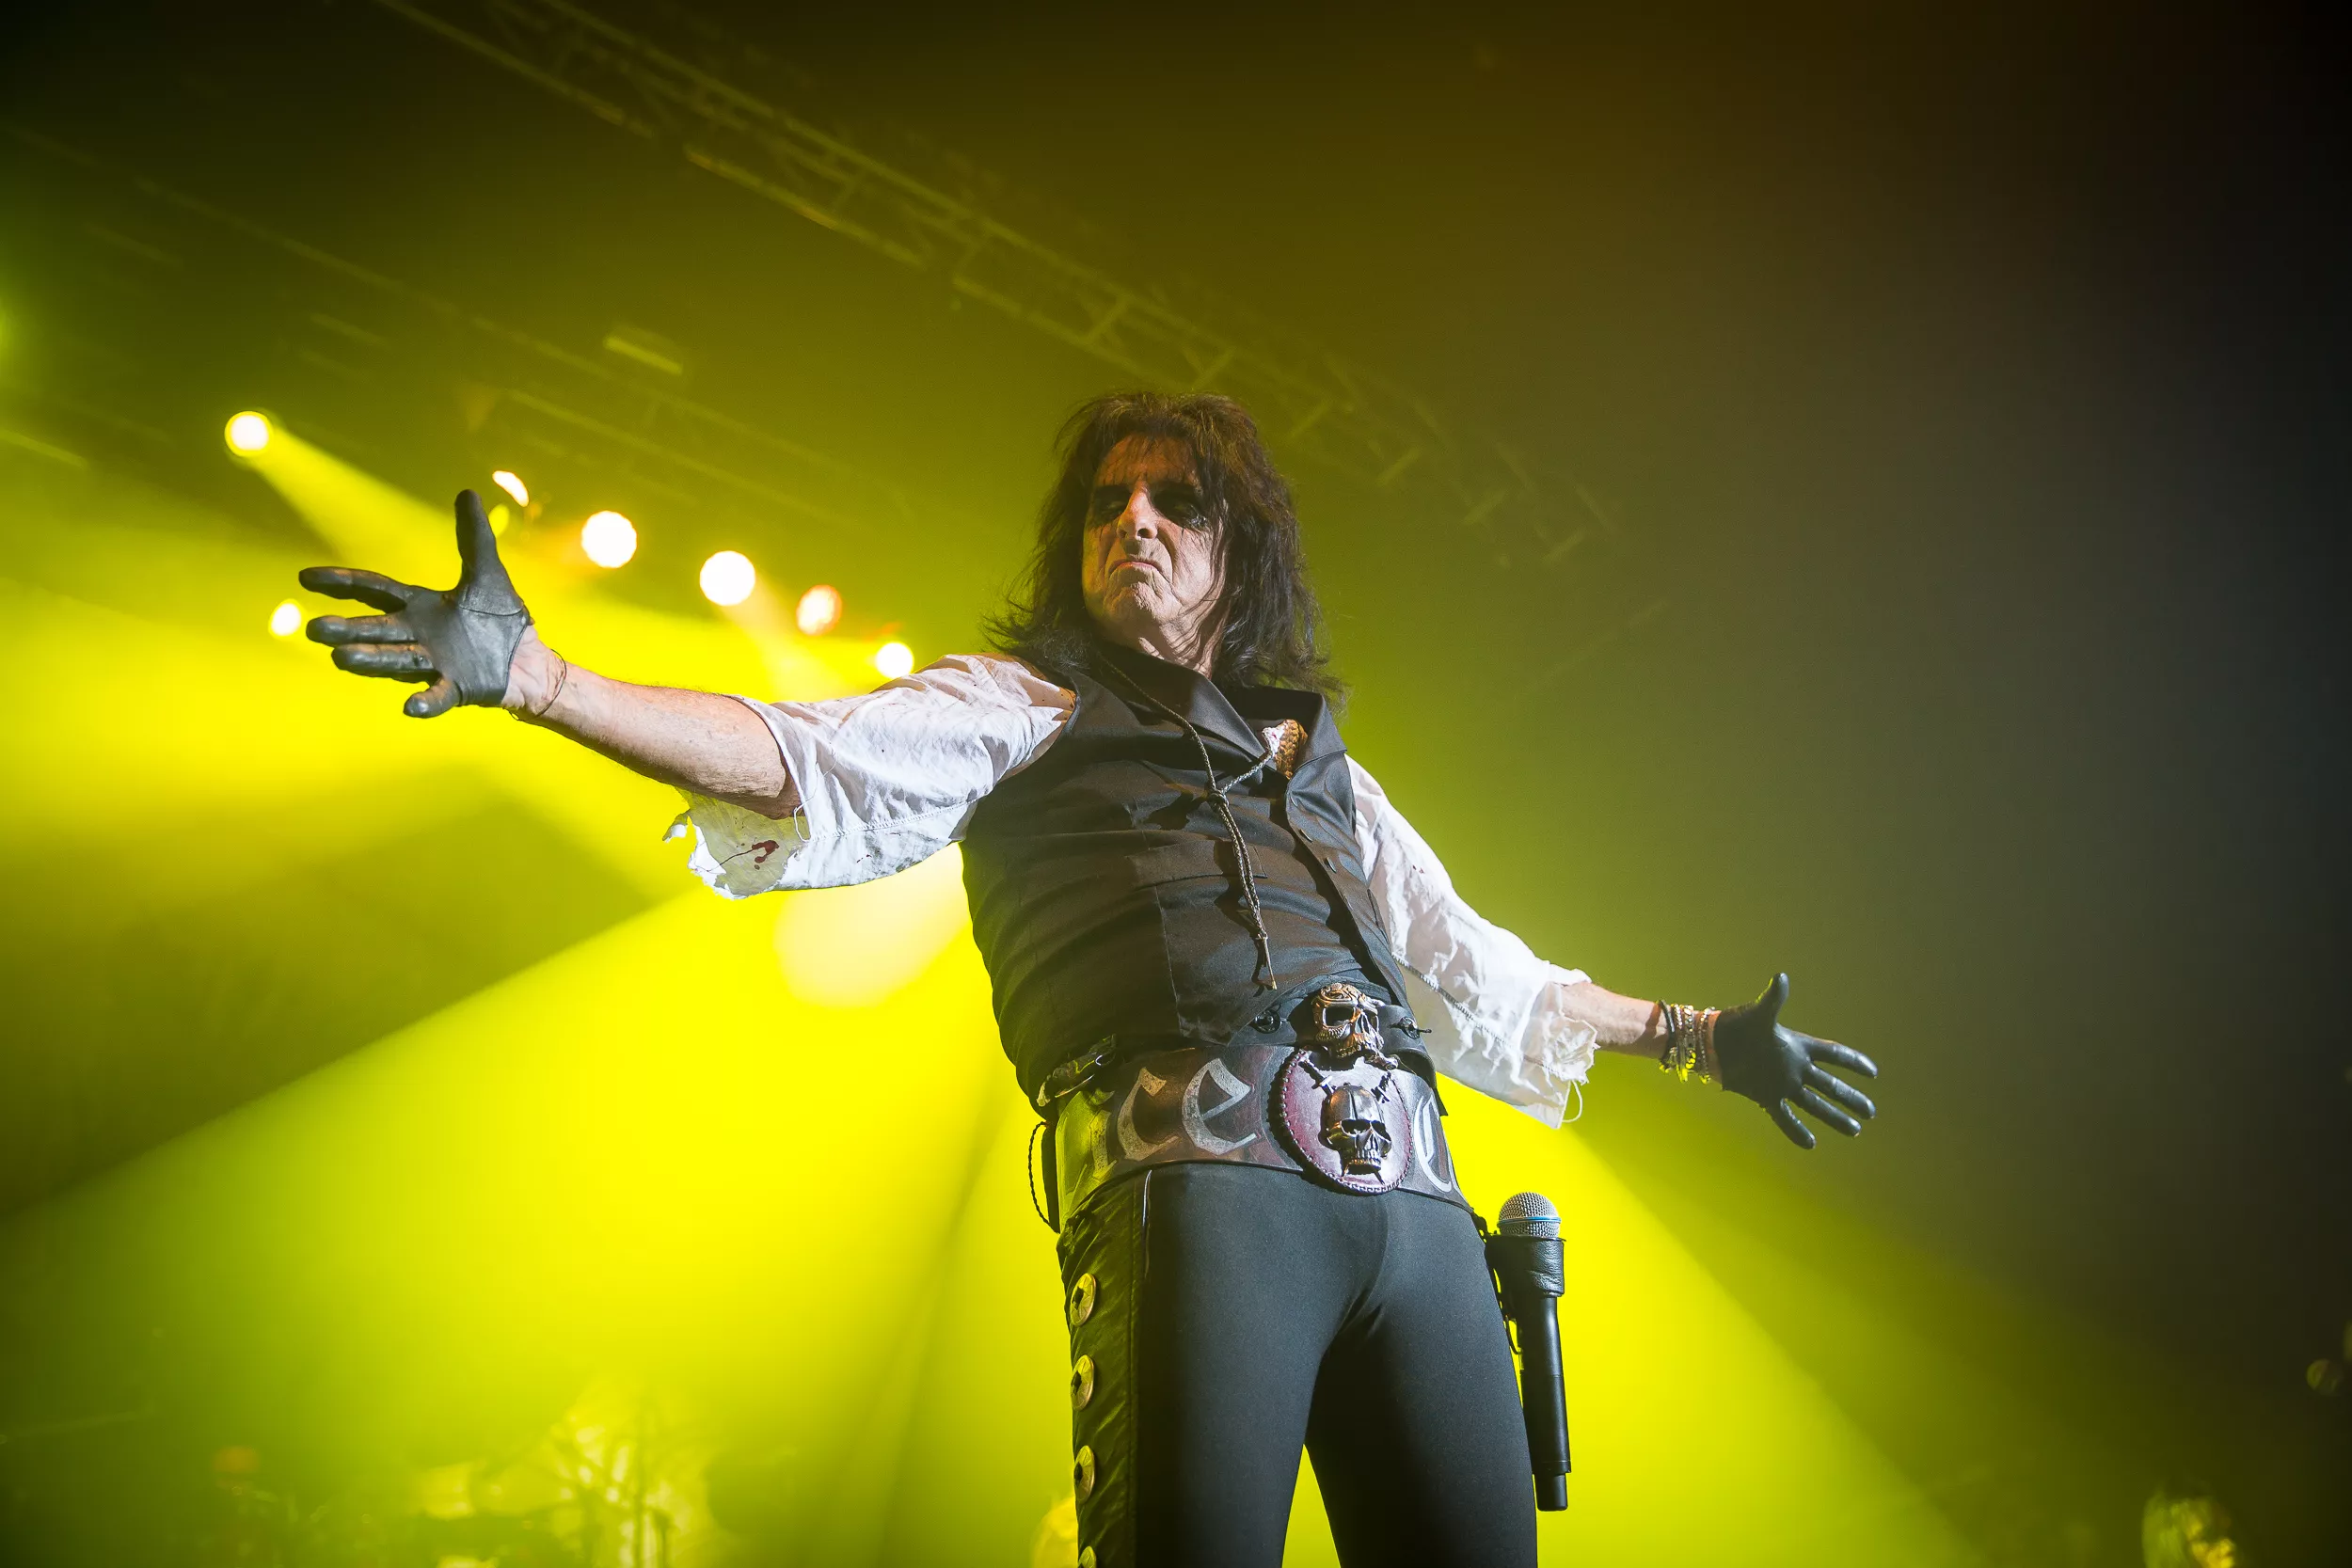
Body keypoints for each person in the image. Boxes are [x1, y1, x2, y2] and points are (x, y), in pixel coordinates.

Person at [299, 391, 1880, 1568]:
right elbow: (804, 756)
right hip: (1205, 1199)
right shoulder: (1027, 703)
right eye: (1109, 502)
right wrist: (540, 677)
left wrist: (1697, 1037)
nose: (1137, 521)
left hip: (1417, 1217)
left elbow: (1486, 972)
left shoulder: (1325, 764)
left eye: (1178, 501)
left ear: (1237, 552)